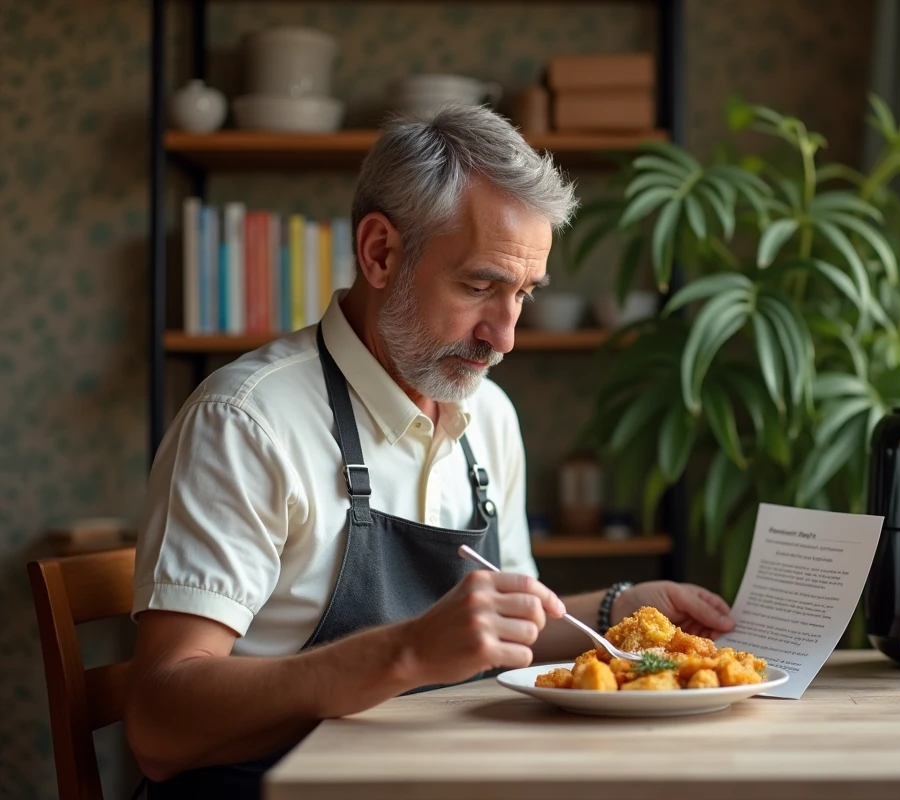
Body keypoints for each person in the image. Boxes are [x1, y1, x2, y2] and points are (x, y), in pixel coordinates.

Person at [124, 105, 735, 799]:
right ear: (380, 252)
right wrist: (407, 652)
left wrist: (617, 612)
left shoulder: (489, 417)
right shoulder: (246, 423)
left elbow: (504, 633)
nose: (504, 336)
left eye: (524, 295)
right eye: (479, 286)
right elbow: (158, 725)